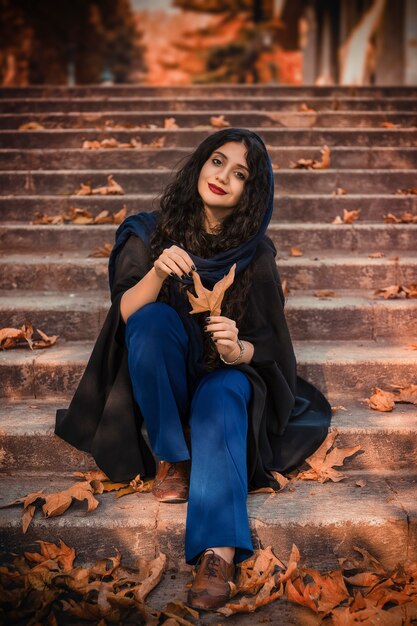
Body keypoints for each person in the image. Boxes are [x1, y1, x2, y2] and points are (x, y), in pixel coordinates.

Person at [55, 127, 332, 611]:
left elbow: (272, 350)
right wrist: (158, 272)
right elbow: (123, 315)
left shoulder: (255, 255)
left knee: (224, 394)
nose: (224, 176)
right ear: (201, 164)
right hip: (164, 379)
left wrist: (238, 349)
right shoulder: (147, 232)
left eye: (240, 174)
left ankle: (218, 553)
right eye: (218, 161)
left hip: (222, 379)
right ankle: (173, 457)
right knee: (153, 320)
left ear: (252, 192)